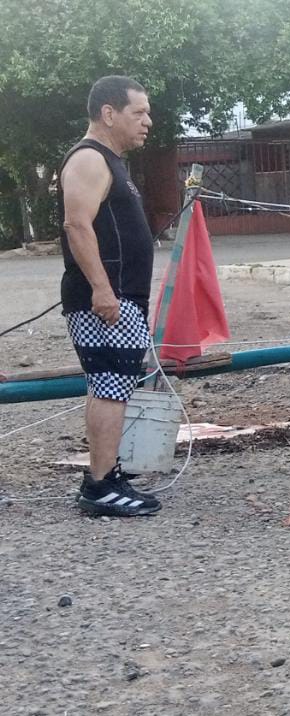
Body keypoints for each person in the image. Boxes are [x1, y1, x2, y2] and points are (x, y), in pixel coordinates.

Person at [59, 75, 161, 516]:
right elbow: (76, 225)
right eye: (138, 112)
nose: (148, 121)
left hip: (120, 296)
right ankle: (99, 489)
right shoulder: (88, 159)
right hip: (105, 298)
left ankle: (107, 473)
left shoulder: (110, 161)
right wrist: (102, 290)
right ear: (108, 113)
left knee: (116, 383)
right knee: (110, 384)